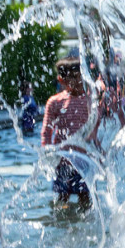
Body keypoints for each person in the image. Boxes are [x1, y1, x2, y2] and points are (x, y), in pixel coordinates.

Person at [41, 55, 96, 209]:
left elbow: (94, 127)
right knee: (62, 195)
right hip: (62, 160)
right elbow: (46, 130)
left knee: (85, 195)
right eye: (73, 78)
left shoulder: (89, 100)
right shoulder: (55, 102)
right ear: (61, 80)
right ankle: (62, 218)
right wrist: (47, 152)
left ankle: (83, 218)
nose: (78, 82)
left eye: (80, 77)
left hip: (84, 159)